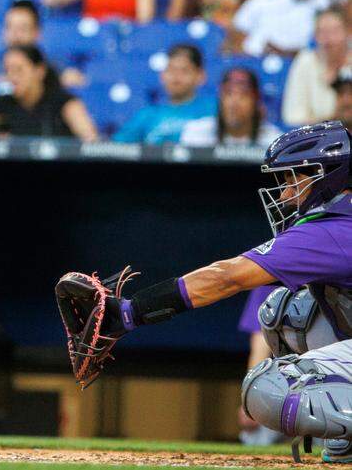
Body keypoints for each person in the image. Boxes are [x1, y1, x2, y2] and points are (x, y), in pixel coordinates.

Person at [53, 120, 352, 462]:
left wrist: (127, 313)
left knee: (266, 391)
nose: (284, 193)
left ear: (325, 173)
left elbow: (227, 277)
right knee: (286, 312)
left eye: (290, 179)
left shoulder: (333, 229)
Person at [0, 45, 98, 140]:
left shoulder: (65, 102)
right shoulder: (0, 104)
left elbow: (92, 142)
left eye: (19, 70)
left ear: (39, 71)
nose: (12, 77)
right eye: (8, 70)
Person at [112, 43, 216, 144]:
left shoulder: (215, 109)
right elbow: (115, 148)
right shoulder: (147, 115)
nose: (176, 78)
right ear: (162, 75)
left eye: (184, 71)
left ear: (200, 76)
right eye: (171, 70)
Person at [281, 8, 349, 126]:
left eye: (334, 31)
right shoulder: (305, 61)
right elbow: (293, 117)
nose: (328, 39)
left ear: (348, 32)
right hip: (316, 139)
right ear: (314, 36)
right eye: (321, 32)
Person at [179, 68, 281, 146]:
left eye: (243, 95)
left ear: (256, 102)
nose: (234, 103)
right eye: (228, 94)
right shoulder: (195, 133)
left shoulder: (274, 142)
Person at [235, 284, 282, 447]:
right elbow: (261, 344)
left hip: (332, 376)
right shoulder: (271, 282)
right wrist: (251, 399)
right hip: (284, 378)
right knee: (257, 443)